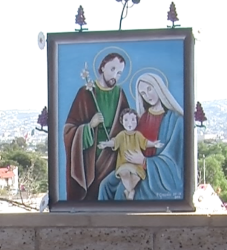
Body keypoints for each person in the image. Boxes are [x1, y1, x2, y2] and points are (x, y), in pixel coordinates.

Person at [98, 72, 184, 201]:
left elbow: (174, 160)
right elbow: (131, 140)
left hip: (155, 174)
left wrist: (144, 161)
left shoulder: (175, 120)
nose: (147, 95)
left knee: (122, 191)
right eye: (143, 93)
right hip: (132, 165)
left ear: (158, 87)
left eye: (150, 89)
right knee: (105, 185)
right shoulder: (142, 118)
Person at [63, 53, 130, 201]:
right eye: (112, 69)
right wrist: (89, 126)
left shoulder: (119, 94)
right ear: (102, 67)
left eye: (119, 73)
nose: (115, 75)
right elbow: (68, 130)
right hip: (90, 159)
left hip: (112, 157)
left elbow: (129, 126)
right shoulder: (86, 92)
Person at [98, 108, 163, 200]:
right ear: (122, 121)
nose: (130, 123)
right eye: (126, 120)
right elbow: (114, 142)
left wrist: (154, 144)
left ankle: (129, 190)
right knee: (125, 174)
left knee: (136, 177)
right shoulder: (122, 135)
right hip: (124, 164)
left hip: (137, 166)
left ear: (136, 121)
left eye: (133, 120)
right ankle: (130, 191)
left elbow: (145, 143)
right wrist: (106, 144)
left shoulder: (137, 135)